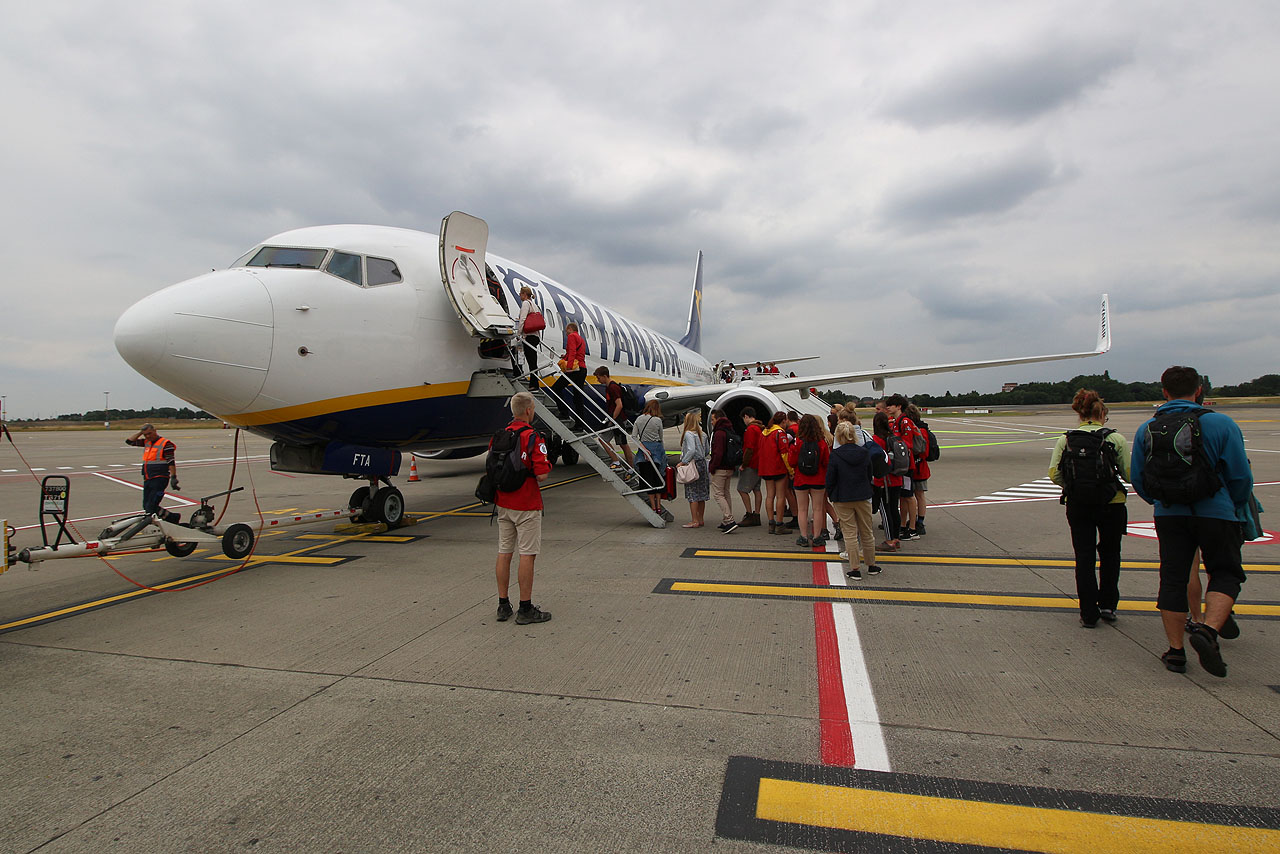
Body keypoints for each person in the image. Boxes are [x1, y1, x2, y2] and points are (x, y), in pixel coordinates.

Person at [1131, 366, 1253, 677]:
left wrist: (1161, 501)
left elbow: (1138, 478)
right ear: (1199, 390)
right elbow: (1240, 475)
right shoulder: (1222, 424)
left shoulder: (1147, 428)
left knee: (1173, 579)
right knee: (1225, 573)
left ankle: (1175, 653)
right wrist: (1233, 504)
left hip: (1170, 513)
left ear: (1164, 391)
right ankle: (1208, 630)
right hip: (1217, 512)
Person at [1048, 390, 1130, 628]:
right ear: (1102, 413)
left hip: (1078, 505)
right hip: (1111, 504)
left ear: (1080, 414)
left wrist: (1073, 487)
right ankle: (1107, 604)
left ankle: (1087, 612)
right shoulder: (1116, 439)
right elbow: (1128, 472)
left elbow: (1054, 473)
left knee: (1084, 557)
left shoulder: (1066, 439)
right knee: (1110, 554)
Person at [492, 392, 553, 625]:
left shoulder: (499, 436)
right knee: (527, 555)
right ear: (529, 410)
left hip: (503, 503)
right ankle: (525, 608)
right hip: (526, 504)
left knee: (504, 552)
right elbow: (542, 475)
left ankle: (502, 604)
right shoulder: (533, 437)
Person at [827, 421, 884, 580]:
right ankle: (871, 564)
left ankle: (855, 568)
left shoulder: (835, 455)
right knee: (867, 531)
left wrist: (832, 494)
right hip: (862, 495)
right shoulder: (864, 453)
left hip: (843, 496)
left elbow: (830, 478)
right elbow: (869, 474)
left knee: (850, 534)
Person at [787, 414, 830, 547]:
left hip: (801, 478)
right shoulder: (821, 441)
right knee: (817, 509)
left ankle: (803, 536)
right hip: (818, 478)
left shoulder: (797, 441)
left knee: (802, 509)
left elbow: (791, 461)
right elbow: (826, 461)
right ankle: (817, 536)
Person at [125, 424, 181, 522]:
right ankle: (172, 517)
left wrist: (173, 477)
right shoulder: (147, 442)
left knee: (151, 506)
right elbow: (129, 441)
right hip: (148, 478)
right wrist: (140, 432)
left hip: (160, 478)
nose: (148, 436)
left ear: (155, 431)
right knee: (147, 505)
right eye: (145, 435)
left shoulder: (166, 444)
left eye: (150, 433)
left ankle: (162, 521)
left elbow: (170, 461)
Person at [884, 395, 921, 540]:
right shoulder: (895, 422)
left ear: (899, 406)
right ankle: (904, 525)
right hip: (900, 465)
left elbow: (907, 444)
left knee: (909, 496)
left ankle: (913, 528)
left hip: (906, 465)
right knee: (903, 496)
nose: (889, 407)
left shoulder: (905, 422)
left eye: (891, 405)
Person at [632, 400, 673, 522]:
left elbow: (634, 436)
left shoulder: (639, 419)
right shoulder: (657, 421)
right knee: (658, 481)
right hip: (656, 452)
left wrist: (643, 449)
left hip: (644, 453)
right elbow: (661, 438)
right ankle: (659, 506)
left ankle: (653, 507)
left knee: (648, 482)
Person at [870, 411, 903, 551]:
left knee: (885, 510)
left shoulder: (877, 439)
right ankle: (896, 538)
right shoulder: (893, 437)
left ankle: (889, 540)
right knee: (895, 509)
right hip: (896, 479)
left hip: (884, 481)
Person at [592, 366, 635, 469]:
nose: (598, 380)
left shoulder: (612, 387)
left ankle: (618, 462)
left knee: (605, 440)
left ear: (605, 376)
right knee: (622, 444)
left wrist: (612, 419)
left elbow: (619, 405)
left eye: (599, 378)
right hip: (618, 419)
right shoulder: (610, 387)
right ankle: (630, 468)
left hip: (618, 419)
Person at [757, 412, 792, 534]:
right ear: (783, 421)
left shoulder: (764, 433)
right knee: (780, 496)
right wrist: (790, 470)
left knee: (769, 496)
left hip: (766, 468)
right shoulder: (780, 433)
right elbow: (784, 453)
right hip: (778, 468)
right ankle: (779, 523)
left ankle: (771, 522)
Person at [708, 409, 739, 533]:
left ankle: (729, 520)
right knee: (726, 493)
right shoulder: (729, 430)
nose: (711, 422)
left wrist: (712, 466)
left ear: (718, 419)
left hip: (720, 468)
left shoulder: (719, 433)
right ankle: (726, 520)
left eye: (713, 419)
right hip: (729, 467)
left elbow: (718, 453)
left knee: (718, 494)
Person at [904, 403, 933, 535]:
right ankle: (918, 521)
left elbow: (923, 452)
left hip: (917, 467)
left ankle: (917, 521)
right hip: (921, 467)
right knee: (919, 495)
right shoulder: (923, 429)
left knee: (915, 495)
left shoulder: (919, 431)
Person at [679, 410, 710, 528]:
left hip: (693, 464)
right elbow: (707, 450)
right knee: (701, 493)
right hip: (702, 464)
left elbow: (691, 449)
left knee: (692, 494)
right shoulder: (703, 434)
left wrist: (683, 462)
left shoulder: (688, 434)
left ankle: (694, 520)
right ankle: (701, 519)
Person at [735, 406, 764, 526]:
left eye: (744, 419)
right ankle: (757, 514)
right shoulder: (760, 428)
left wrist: (744, 464)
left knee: (742, 489)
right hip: (759, 463)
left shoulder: (751, 430)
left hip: (751, 464)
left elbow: (749, 449)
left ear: (746, 416)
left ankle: (749, 513)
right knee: (757, 490)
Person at [560, 321, 588, 425]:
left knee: (556, 388)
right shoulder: (581, 339)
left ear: (570, 329)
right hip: (582, 369)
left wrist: (568, 366)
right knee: (578, 398)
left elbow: (572, 352)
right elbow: (577, 353)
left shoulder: (571, 336)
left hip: (574, 370)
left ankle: (563, 412)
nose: (566, 333)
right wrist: (565, 357)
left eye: (566, 330)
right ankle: (579, 425)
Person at [515, 285, 541, 389]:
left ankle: (520, 375)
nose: (519, 296)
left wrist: (518, 333)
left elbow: (523, 319)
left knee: (517, 353)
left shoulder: (526, 303)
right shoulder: (534, 305)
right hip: (535, 336)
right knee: (533, 361)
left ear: (525, 294)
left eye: (520, 294)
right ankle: (534, 384)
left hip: (528, 336)